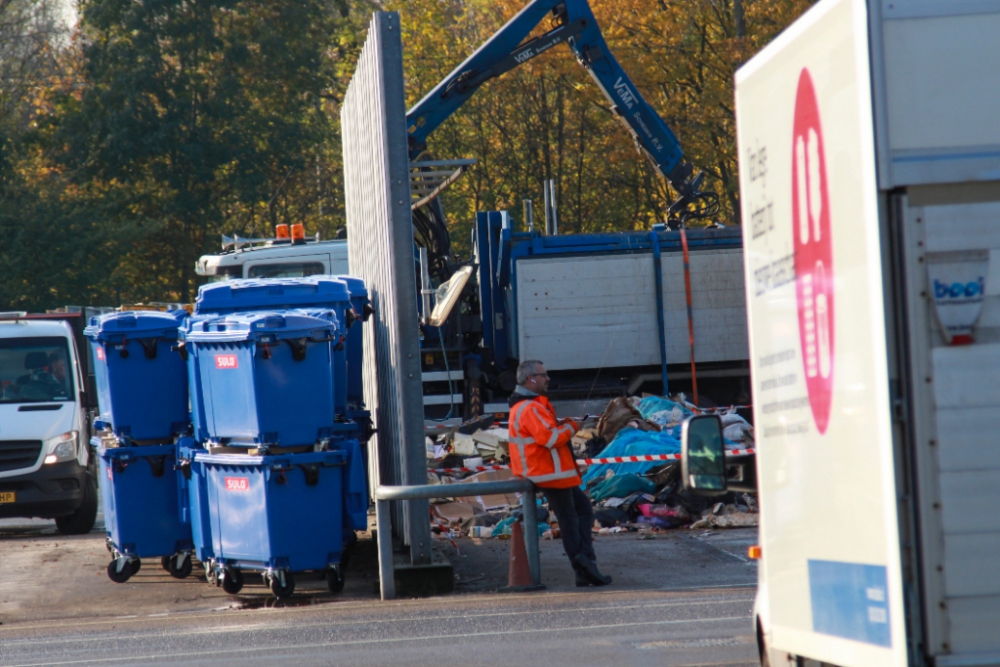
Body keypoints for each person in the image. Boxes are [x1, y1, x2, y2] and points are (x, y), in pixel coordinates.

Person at [508, 359, 612, 587]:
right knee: (571, 518)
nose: (548, 379)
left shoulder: (528, 405)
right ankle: (583, 564)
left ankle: (585, 565)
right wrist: (572, 426)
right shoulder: (530, 407)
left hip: (550, 473)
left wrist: (563, 425)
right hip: (547, 474)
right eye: (544, 375)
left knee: (580, 511)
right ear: (530, 379)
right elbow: (550, 438)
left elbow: (547, 434)